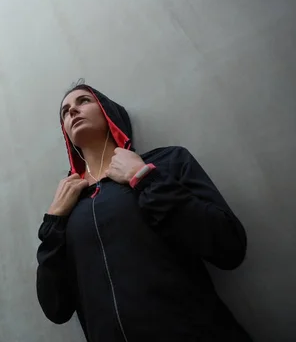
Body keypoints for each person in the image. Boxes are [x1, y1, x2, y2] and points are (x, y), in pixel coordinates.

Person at [36, 81, 252, 341]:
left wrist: (143, 178)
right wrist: (53, 223)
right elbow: (56, 309)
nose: (72, 111)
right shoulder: (67, 207)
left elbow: (229, 246)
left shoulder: (166, 163)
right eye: (65, 111)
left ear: (107, 111)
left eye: (84, 101)